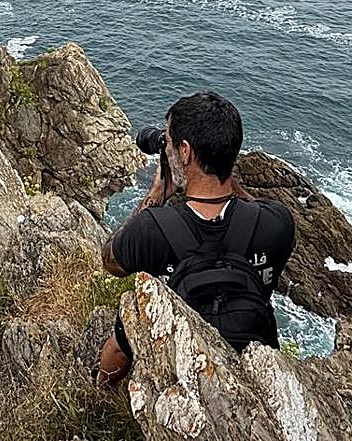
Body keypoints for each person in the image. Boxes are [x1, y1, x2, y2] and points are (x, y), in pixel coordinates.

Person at [96, 91, 295, 385]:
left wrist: (157, 195)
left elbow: (110, 261)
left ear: (185, 152)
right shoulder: (276, 223)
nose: (167, 148)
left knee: (121, 335)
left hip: (182, 366)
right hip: (254, 365)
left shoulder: (151, 229)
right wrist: (225, 177)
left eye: (169, 141)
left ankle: (100, 389)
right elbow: (253, 208)